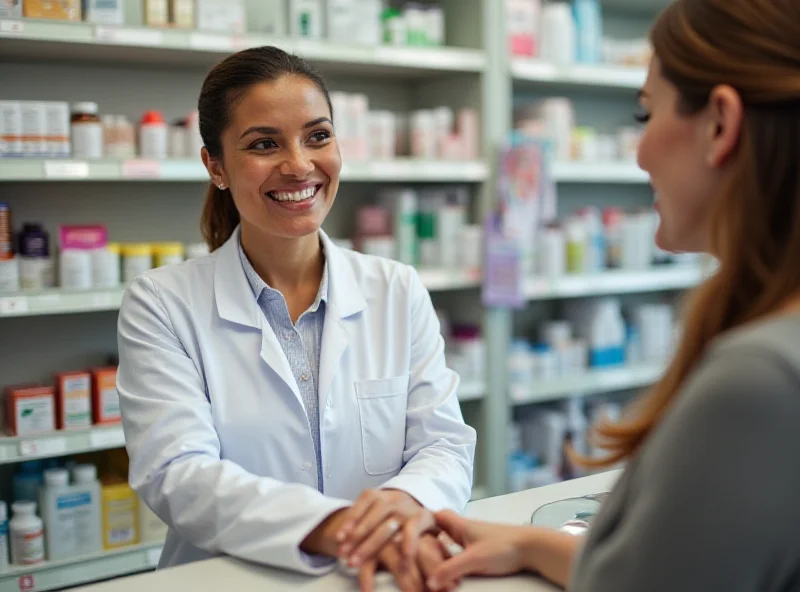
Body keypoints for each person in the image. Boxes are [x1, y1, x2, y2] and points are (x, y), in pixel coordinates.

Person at [423, 0, 800, 590]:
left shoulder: (759, 383)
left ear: (721, 125)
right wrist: (531, 543)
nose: (640, 151)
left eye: (645, 115)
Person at [116, 45, 475, 591]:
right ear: (215, 165)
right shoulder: (162, 304)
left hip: (377, 574)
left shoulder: (396, 289)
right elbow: (178, 474)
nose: (300, 165)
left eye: (318, 136)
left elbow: (443, 444)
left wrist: (405, 503)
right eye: (264, 144)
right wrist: (334, 527)